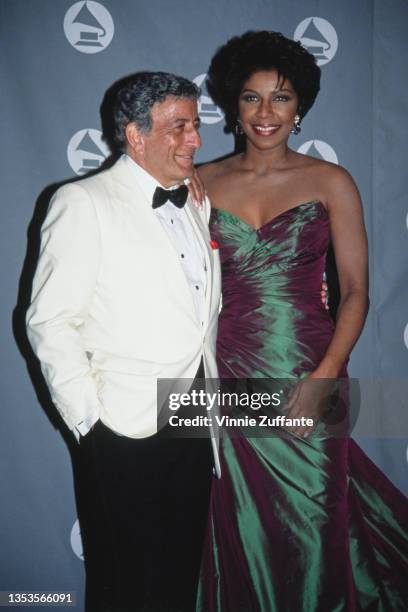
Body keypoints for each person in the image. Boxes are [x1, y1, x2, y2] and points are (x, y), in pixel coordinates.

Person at [195, 31, 408, 611]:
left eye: (281, 98)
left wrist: (326, 375)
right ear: (233, 107)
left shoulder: (330, 182)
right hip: (225, 373)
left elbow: (358, 291)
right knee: (234, 520)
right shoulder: (200, 184)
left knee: (315, 516)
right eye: (251, 98)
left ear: (301, 108)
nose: (266, 112)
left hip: (310, 366)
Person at [26, 71, 222, 612]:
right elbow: (49, 320)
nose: (196, 140)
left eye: (196, 124)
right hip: (121, 422)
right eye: (179, 127)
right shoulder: (82, 201)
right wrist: (91, 422)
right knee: (125, 583)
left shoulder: (196, 200)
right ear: (136, 135)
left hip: (194, 416)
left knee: (181, 575)